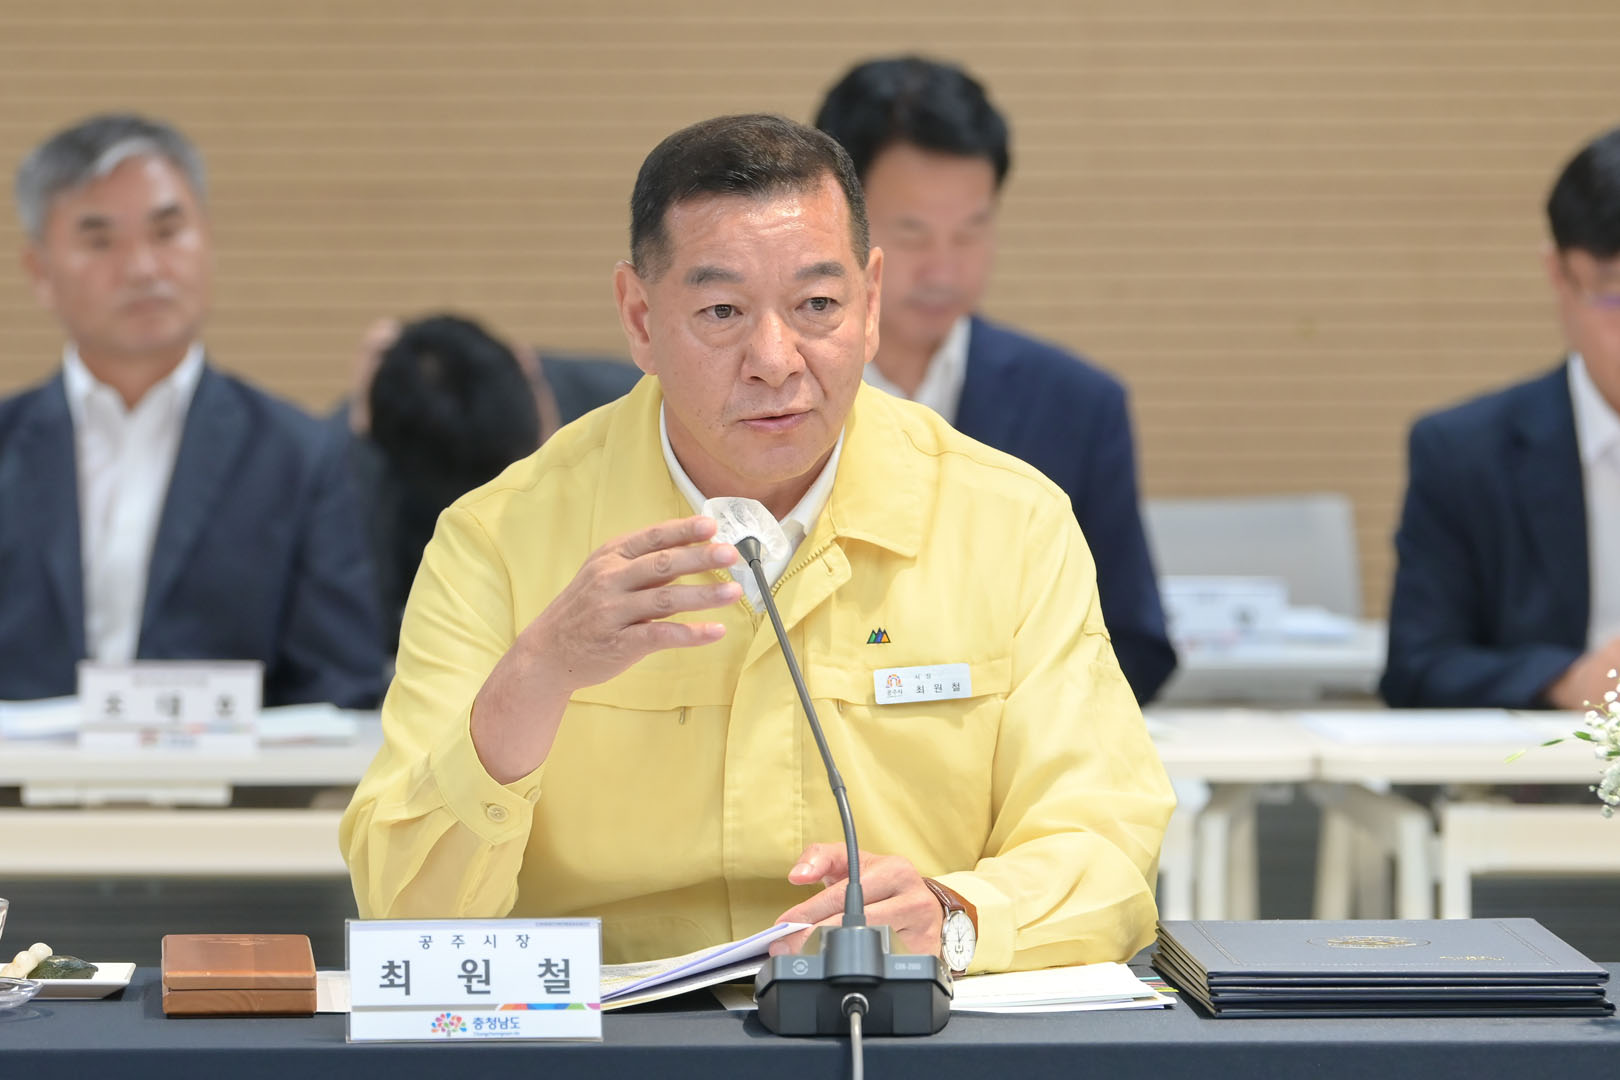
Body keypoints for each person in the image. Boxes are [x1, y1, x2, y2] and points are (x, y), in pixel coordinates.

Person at [340, 114, 1173, 975]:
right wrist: (538, 674)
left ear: (870, 303)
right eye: (722, 311)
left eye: (818, 306)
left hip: (895, 1019)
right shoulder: (498, 539)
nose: (775, 359)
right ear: (639, 318)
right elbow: (406, 913)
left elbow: (1107, 844)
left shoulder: (1008, 522)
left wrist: (954, 918)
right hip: (610, 1030)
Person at [813, 56, 1176, 704]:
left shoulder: (1077, 405)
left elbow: (1133, 642)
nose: (944, 270)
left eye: (972, 232)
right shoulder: (772, 392)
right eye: (912, 233)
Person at [0, 113, 383, 708]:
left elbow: (341, 690)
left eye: (167, 231)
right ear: (40, 273)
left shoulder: (298, 457)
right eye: (100, 241)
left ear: (206, 240)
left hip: (233, 771)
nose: (143, 268)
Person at [1382, 125, 1620, 709]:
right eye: (1615, 298)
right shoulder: (1463, 453)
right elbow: (1419, 668)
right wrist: (1571, 683)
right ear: (1558, 275)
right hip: (1551, 763)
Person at [342, 314, 642, 650]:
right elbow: (363, 634)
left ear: (525, 362)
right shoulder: (389, 440)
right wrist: (360, 452)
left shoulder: (636, 413)